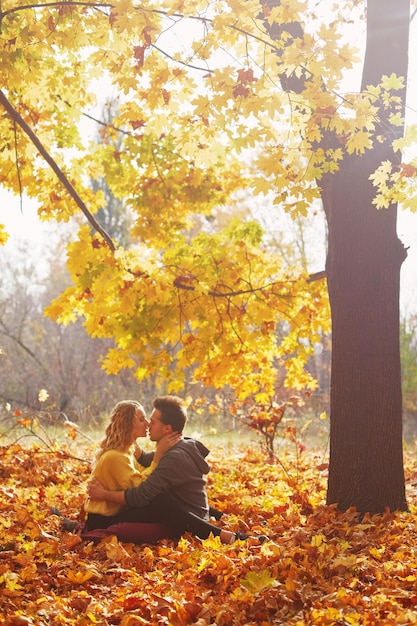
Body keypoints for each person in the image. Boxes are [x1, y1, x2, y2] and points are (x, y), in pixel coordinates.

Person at [88, 395, 266, 544]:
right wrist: (141, 448)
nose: (148, 425)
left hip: (179, 515)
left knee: (161, 497)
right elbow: (145, 465)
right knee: (161, 496)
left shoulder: (172, 457)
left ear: (167, 429)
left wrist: (103, 494)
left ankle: (225, 536)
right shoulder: (183, 445)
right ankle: (225, 530)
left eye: (151, 421)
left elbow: (140, 494)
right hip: (113, 515)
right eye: (144, 420)